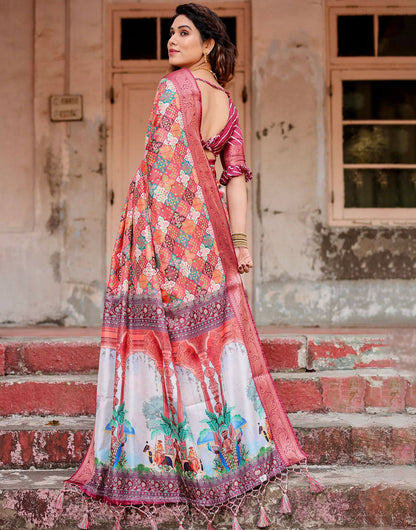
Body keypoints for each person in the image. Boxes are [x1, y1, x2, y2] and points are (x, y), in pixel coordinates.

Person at [59, 4, 322, 529]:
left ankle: (157, 460)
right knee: (203, 341)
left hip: (166, 231)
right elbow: (237, 175)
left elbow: (160, 171)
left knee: (160, 336)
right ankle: (224, 457)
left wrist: (145, 232)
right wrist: (240, 243)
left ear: (207, 43)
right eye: (170, 33)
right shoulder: (228, 103)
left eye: (182, 33)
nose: (170, 41)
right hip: (208, 235)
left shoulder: (173, 87)